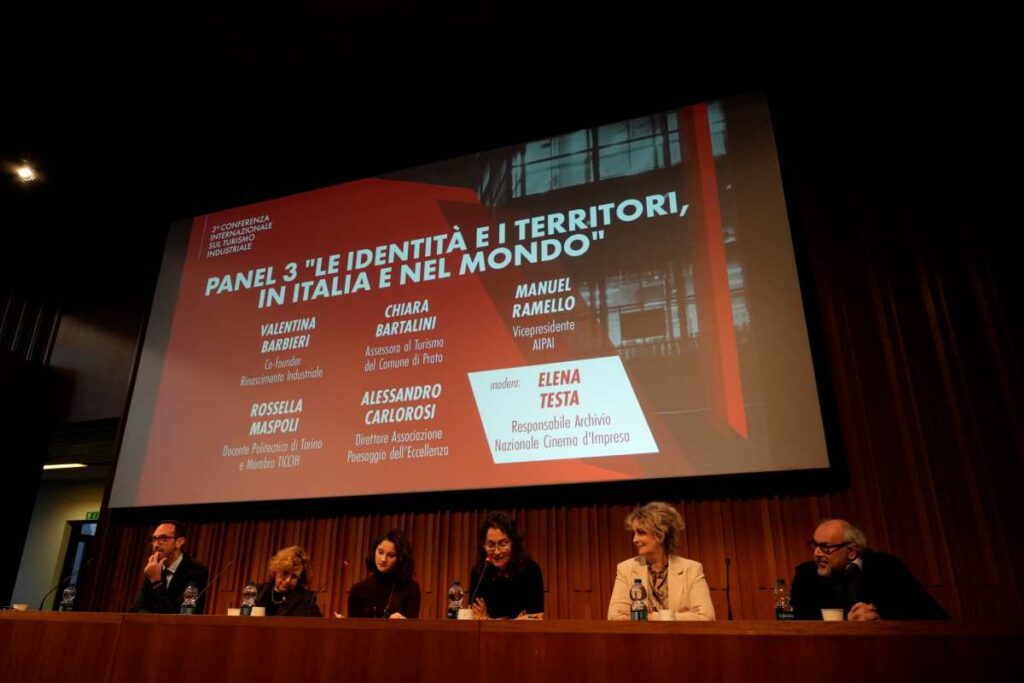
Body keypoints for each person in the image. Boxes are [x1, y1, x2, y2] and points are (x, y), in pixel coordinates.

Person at [791, 518, 948, 620]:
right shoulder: (806, 575)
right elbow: (799, 620)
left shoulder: (887, 567)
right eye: (815, 545)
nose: (817, 553)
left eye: (825, 547)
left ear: (851, 551)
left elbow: (927, 613)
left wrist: (878, 616)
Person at [607, 502, 715, 620]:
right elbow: (615, 617)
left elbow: (706, 617)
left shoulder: (692, 569)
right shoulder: (625, 569)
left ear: (661, 534)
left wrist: (653, 617)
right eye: (634, 533)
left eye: (641, 532)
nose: (635, 539)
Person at [468, 512, 544, 619]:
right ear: (484, 546)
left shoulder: (531, 570)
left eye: (503, 544)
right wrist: (514, 621)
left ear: (514, 544)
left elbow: (536, 617)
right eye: (491, 545)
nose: (497, 552)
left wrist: (489, 620)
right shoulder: (479, 572)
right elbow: (475, 617)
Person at [129, 520, 209, 614]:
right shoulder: (154, 568)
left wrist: (156, 581)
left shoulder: (195, 570)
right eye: (154, 539)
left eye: (163, 539)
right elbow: (136, 608)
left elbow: (183, 612)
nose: (156, 545)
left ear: (179, 542)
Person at [348, 529, 421, 618]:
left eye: (390, 555)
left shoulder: (411, 588)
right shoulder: (358, 590)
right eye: (380, 552)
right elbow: (352, 625)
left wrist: (404, 622)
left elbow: (413, 624)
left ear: (400, 558)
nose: (383, 559)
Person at [253, 546, 322, 617]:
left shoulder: (307, 599)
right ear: (276, 570)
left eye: (294, 577)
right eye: (285, 573)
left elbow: (318, 623)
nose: (288, 581)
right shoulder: (257, 591)